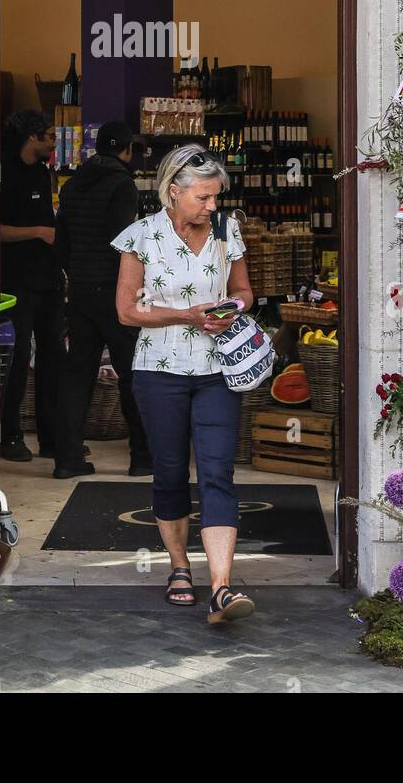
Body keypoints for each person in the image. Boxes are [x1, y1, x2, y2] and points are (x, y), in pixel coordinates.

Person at [112, 145, 257, 625]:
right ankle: (179, 566)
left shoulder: (226, 231)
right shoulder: (141, 237)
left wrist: (228, 311)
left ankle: (221, 587)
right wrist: (186, 315)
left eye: (216, 197)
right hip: (159, 372)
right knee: (170, 471)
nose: (212, 206)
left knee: (218, 472)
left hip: (218, 371)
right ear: (173, 191)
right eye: (203, 197)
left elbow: (244, 293)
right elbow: (127, 310)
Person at [53, 121, 152, 480]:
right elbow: (123, 241)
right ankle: (142, 457)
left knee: (76, 375)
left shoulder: (74, 184)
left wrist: (77, 273)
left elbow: (61, 243)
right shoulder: (122, 185)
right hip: (113, 292)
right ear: (126, 150)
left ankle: (67, 458)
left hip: (79, 291)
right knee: (132, 372)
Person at [0, 109, 66, 462]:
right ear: (32, 138)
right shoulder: (4, 172)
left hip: (48, 279)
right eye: (51, 136)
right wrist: (39, 232)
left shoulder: (43, 173)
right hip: (17, 280)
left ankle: (52, 438)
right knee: (18, 357)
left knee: (54, 357)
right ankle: (10, 435)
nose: (54, 143)